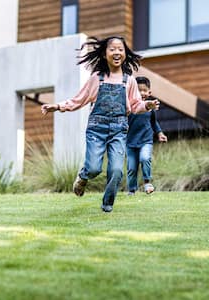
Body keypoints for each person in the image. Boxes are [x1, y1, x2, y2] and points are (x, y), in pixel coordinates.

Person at [41, 36, 159, 213]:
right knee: (94, 167)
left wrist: (147, 105)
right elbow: (78, 100)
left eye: (120, 49)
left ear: (125, 54)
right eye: (112, 49)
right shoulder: (97, 78)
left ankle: (107, 204)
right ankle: (83, 176)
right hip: (97, 129)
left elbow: (135, 106)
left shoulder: (130, 80)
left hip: (119, 129)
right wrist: (58, 106)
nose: (117, 52)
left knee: (117, 170)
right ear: (105, 54)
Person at [126, 76, 167, 195]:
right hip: (130, 142)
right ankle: (132, 190)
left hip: (146, 141)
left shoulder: (150, 107)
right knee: (132, 168)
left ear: (149, 92)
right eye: (138, 90)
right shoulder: (130, 106)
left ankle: (147, 182)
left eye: (144, 90)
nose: (142, 93)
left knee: (145, 158)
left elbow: (154, 123)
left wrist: (160, 133)